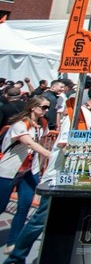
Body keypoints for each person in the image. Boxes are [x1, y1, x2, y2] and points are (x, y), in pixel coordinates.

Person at [3, 82, 91, 264]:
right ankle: (15, 258)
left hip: (77, 175)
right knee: (40, 219)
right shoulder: (76, 114)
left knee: (60, 219)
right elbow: (63, 143)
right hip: (59, 175)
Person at [0, 97, 52, 255]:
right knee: (1, 206)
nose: (46, 110)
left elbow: (41, 143)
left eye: (47, 107)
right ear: (33, 108)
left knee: (24, 206)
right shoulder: (20, 124)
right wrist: (51, 155)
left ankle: (13, 242)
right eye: (43, 107)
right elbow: (29, 143)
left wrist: (43, 165)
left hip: (30, 171)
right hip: (9, 170)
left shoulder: (42, 124)